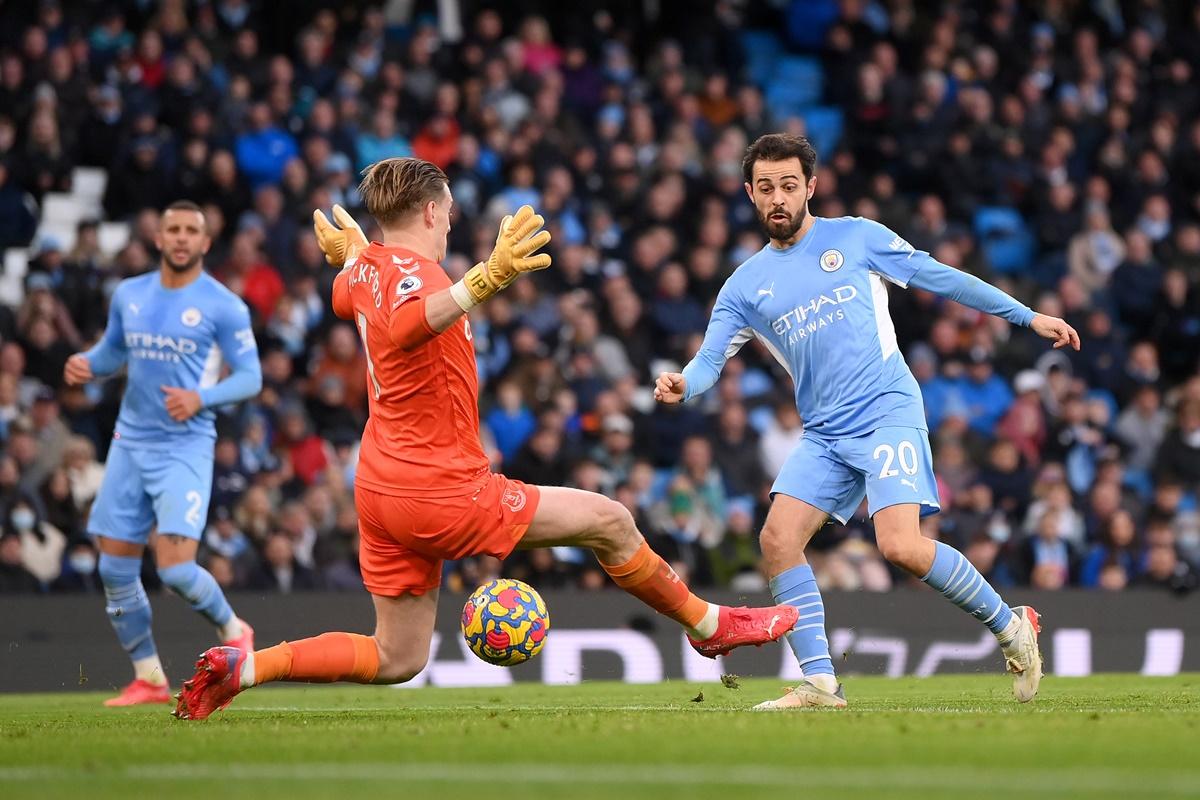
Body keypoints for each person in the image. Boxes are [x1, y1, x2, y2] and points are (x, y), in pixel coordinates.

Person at [174, 157, 796, 720]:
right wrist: (485, 278)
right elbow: (409, 322)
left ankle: (245, 667)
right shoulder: (417, 278)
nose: (450, 221)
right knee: (609, 519)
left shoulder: (367, 270)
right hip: (437, 489)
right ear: (430, 210)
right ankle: (708, 623)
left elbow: (347, 297)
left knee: (398, 657)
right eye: (447, 211)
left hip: (379, 488)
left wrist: (359, 254)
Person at [655, 133, 1081, 709]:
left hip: (886, 411)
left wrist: (1026, 316)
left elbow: (944, 278)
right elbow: (708, 361)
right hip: (826, 434)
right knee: (778, 540)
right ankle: (821, 685)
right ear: (750, 196)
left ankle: (1011, 626)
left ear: (810, 187)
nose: (777, 198)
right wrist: (684, 383)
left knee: (901, 547)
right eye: (765, 188)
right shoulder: (744, 287)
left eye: (787, 185)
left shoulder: (856, 237)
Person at [63, 200, 262, 706]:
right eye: (171, 229)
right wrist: (88, 364)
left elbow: (250, 377)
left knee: (175, 570)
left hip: (185, 446)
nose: (179, 238)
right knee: (114, 569)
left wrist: (202, 397)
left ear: (205, 242)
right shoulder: (129, 294)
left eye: (190, 230)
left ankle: (234, 627)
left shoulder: (223, 305)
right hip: (130, 442)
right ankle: (149, 677)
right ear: (158, 238)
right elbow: (113, 352)